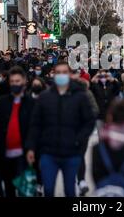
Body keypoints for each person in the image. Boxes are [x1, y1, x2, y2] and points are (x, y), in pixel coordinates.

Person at [25, 61, 96, 197]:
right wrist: (31, 147)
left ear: (69, 74)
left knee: (70, 190)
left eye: (64, 72)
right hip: (48, 152)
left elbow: (89, 121)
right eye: (58, 73)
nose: (61, 75)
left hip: (72, 152)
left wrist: (78, 140)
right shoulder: (45, 97)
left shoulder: (80, 96)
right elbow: (35, 124)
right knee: (49, 190)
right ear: (53, 75)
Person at [0, 66, 35, 197]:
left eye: (17, 81)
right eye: (12, 82)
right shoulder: (2, 102)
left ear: (24, 81)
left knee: (24, 191)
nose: (15, 84)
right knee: (9, 189)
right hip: (4, 154)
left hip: (23, 155)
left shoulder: (31, 103)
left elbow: (34, 128)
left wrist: (32, 149)